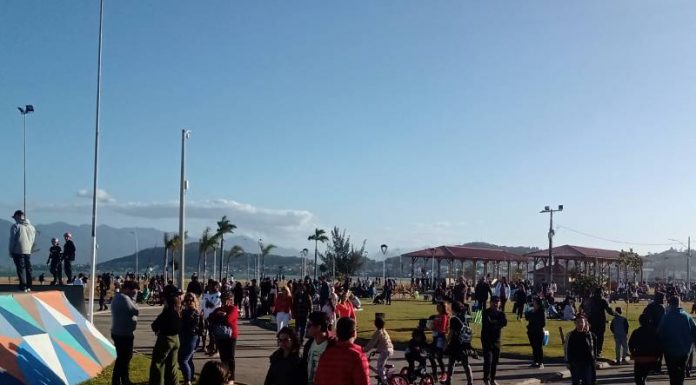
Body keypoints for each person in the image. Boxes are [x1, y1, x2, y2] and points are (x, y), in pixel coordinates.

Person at [313, 317, 370, 385]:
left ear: (337, 333)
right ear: (354, 333)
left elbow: (318, 380)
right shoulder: (357, 356)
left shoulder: (326, 354)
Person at [657, 295, 696, 385]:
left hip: (669, 351)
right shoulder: (688, 317)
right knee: (681, 372)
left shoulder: (665, 317)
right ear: (680, 303)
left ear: (670, 304)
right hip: (684, 351)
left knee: (672, 374)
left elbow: (659, 333)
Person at [149, 287, 182, 385]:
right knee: (173, 366)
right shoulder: (178, 309)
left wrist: (157, 328)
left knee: (158, 365)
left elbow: (155, 325)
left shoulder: (168, 310)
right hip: (176, 338)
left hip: (166, 339)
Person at [111, 280, 139, 385]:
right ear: (128, 289)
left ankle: (123, 379)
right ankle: (118, 380)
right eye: (133, 292)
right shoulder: (124, 298)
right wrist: (133, 298)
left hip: (121, 332)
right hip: (123, 334)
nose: (134, 294)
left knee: (123, 358)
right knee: (124, 358)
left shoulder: (119, 296)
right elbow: (135, 310)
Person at [210, 291, 239, 381]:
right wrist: (220, 315)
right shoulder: (218, 309)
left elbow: (228, 319)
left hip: (231, 336)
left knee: (230, 357)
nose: (224, 301)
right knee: (223, 358)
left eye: (226, 299)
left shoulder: (233, 309)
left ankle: (231, 377)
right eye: (222, 299)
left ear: (230, 300)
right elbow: (211, 317)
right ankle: (225, 375)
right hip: (220, 336)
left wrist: (220, 316)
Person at [444, 301, 474, 385]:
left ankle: (448, 380)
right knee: (466, 364)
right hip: (464, 343)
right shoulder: (465, 316)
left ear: (453, 309)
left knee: (451, 363)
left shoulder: (454, 319)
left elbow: (451, 333)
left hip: (455, 343)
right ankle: (470, 381)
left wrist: (446, 343)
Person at [629, 313, 662, 385]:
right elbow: (659, 345)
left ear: (640, 321)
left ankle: (642, 381)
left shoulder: (636, 332)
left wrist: (633, 353)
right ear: (650, 321)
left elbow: (630, 344)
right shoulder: (654, 332)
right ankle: (643, 380)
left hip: (639, 357)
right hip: (651, 358)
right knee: (644, 374)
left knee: (638, 377)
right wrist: (658, 356)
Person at [481, 296, 507, 385]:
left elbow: (504, 322)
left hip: (497, 340)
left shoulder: (501, 314)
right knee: (488, 360)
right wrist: (497, 323)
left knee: (495, 362)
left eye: (498, 302)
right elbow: (488, 323)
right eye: (494, 302)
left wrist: (495, 323)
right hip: (487, 339)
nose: (496, 304)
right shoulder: (486, 312)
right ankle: (486, 379)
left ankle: (492, 379)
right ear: (490, 302)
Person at [179, 293, 204, 385]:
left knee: (183, 360)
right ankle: (191, 377)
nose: (189, 302)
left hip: (192, 338)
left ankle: (187, 381)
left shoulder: (195, 313)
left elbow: (194, 327)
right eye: (187, 300)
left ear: (195, 301)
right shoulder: (185, 311)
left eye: (191, 300)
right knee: (188, 360)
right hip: (185, 337)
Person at [9, 210, 36, 292]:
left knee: (21, 269)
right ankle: (29, 286)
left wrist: (10, 251)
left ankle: (23, 287)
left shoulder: (15, 226)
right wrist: (29, 248)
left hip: (18, 250)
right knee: (28, 268)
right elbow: (32, 240)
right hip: (28, 250)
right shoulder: (31, 227)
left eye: (15, 217)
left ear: (17, 216)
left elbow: (12, 240)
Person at [565, 316, 597, 385]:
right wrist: (567, 362)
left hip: (587, 362)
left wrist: (594, 360)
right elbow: (567, 349)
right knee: (576, 381)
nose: (580, 324)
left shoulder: (590, 335)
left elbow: (593, 349)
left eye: (582, 322)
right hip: (575, 362)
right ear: (575, 323)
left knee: (588, 382)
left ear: (585, 323)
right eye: (578, 322)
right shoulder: (570, 335)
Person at [585, 288, 615, 357]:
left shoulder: (590, 300)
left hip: (591, 320)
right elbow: (609, 310)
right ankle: (598, 351)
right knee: (600, 336)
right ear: (601, 293)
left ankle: (591, 350)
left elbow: (586, 308)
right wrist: (616, 314)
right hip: (600, 321)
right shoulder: (603, 300)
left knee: (591, 335)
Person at [303, 311, 332, 385]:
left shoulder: (332, 346)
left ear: (318, 327)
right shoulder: (309, 344)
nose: (306, 327)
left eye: (309, 325)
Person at [364, 317, 394, 384]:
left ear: (375, 324)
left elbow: (371, 343)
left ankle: (385, 381)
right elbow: (384, 342)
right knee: (381, 365)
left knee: (380, 367)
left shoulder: (378, 332)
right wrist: (377, 351)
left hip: (385, 351)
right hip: (390, 349)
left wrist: (364, 350)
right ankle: (384, 377)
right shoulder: (384, 331)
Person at [642, 292, 666, 373]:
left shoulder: (650, 306)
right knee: (659, 351)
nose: (664, 300)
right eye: (663, 298)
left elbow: (643, 315)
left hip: (649, 331)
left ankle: (651, 367)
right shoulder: (661, 308)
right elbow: (663, 321)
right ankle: (657, 368)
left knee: (651, 350)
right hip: (658, 332)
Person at [202, 281, 222, 354]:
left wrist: (207, 302)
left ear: (217, 287)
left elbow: (213, 305)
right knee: (209, 333)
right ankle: (210, 348)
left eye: (212, 286)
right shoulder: (208, 295)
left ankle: (216, 350)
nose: (210, 287)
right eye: (209, 286)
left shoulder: (218, 295)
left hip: (215, 317)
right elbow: (204, 306)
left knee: (214, 334)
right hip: (207, 317)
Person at [525, 297, 546, 368]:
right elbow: (527, 318)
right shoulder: (532, 311)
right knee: (534, 347)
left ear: (538, 303)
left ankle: (541, 362)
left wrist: (535, 324)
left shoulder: (541, 311)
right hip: (531, 331)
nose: (533, 303)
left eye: (534, 302)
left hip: (538, 331)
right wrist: (527, 311)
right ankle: (535, 361)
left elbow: (543, 323)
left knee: (539, 347)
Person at [432, 302, 449, 380]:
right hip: (435, 336)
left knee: (439, 357)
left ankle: (444, 373)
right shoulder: (437, 316)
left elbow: (443, 328)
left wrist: (437, 329)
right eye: (437, 306)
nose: (438, 308)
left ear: (443, 307)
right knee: (432, 356)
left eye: (439, 306)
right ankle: (435, 374)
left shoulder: (444, 316)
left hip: (441, 337)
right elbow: (434, 326)